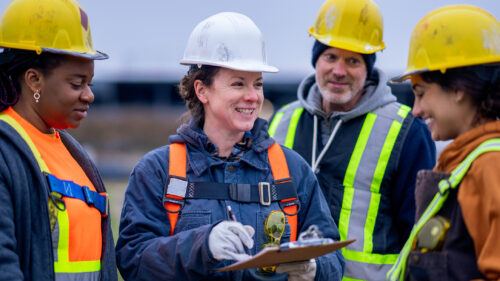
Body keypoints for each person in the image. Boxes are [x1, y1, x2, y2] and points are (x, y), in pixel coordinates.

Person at [116, 12, 345, 281]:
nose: (252, 96)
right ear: (202, 91)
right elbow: (133, 260)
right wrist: (202, 245)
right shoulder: (158, 171)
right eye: (238, 84)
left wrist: (316, 268)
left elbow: (333, 258)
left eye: (257, 84)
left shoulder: (292, 170)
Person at [268, 0, 436, 280]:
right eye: (331, 57)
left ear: (368, 67)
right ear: (316, 61)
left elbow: (420, 238)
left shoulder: (407, 131)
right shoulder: (281, 122)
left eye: (353, 60)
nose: (339, 70)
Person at [0, 0, 117, 280]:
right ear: (34, 80)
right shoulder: (6, 152)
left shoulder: (74, 155)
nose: (89, 95)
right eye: (76, 84)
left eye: (89, 83)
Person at [387, 5, 500, 281]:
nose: (415, 110)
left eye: (421, 93)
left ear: (459, 89)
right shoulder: (464, 160)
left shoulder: (490, 165)